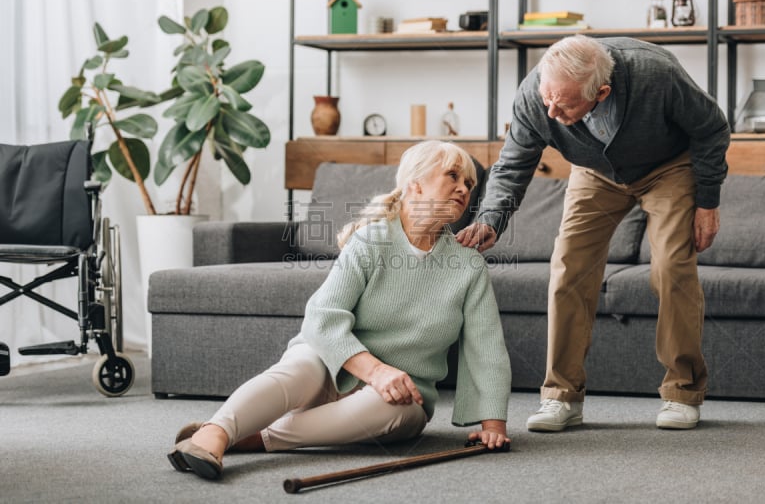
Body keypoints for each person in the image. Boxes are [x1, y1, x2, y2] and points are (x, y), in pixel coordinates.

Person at [168, 140, 512, 480]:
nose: (463, 188)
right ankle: (217, 432)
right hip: (330, 365)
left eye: (469, 183)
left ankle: (256, 438)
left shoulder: (469, 266)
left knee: (398, 412)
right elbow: (322, 317)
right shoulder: (371, 241)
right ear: (414, 184)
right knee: (301, 367)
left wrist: (492, 425)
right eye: (452, 176)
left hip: (402, 395)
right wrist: (375, 371)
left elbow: (486, 348)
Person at [457, 35, 730, 431]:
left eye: (564, 103)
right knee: (568, 267)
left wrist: (708, 200)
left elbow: (711, 128)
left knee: (671, 266)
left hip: (668, 167)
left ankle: (682, 392)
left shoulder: (657, 74)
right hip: (595, 172)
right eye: (547, 97)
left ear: (600, 92)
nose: (550, 110)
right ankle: (561, 396)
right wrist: (489, 220)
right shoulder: (537, 95)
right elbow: (512, 164)